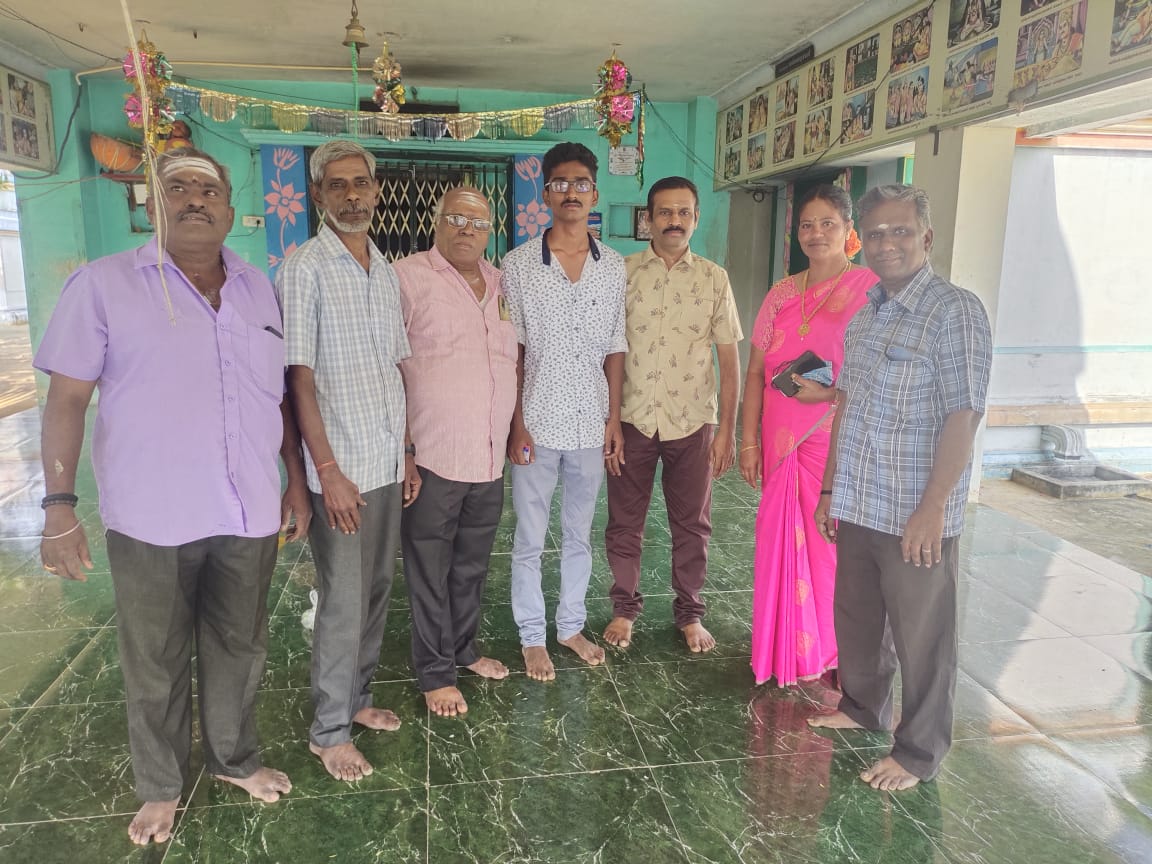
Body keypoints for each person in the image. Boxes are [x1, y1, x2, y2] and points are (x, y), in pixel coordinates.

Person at [35, 147, 311, 845]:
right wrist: (59, 506)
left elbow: (276, 398)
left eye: (208, 189)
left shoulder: (257, 288)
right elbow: (66, 399)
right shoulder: (104, 286)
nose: (194, 198)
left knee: (240, 645)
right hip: (151, 515)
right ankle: (160, 785)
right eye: (177, 186)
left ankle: (233, 759)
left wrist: (294, 480)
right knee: (154, 657)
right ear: (153, 203)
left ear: (228, 209)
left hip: (247, 507)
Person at [808, 185, 992, 792]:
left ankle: (919, 751)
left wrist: (933, 507)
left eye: (901, 231)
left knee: (922, 635)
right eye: (877, 233)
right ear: (861, 242)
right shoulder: (866, 318)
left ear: (926, 238)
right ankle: (863, 707)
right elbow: (847, 407)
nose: (887, 243)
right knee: (858, 619)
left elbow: (964, 413)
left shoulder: (954, 311)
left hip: (915, 508)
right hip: (860, 500)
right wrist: (830, 490)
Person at [277, 140, 420, 783]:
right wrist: (326, 472)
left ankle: (357, 697)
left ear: (377, 190)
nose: (352, 195)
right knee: (342, 599)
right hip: (341, 469)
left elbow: (394, 369)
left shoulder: (383, 270)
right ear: (318, 196)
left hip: (386, 459)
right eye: (337, 185)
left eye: (361, 183)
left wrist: (408, 451)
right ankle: (329, 731)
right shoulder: (304, 268)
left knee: (377, 590)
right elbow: (298, 379)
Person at [502, 141, 627, 682]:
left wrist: (613, 419)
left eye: (580, 184)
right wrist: (516, 424)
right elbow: (513, 350)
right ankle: (532, 636)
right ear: (545, 193)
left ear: (594, 193)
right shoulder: (518, 265)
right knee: (529, 538)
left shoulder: (613, 266)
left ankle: (570, 626)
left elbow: (615, 347)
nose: (570, 192)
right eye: (560, 183)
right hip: (536, 421)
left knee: (579, 534)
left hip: (590, 423)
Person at [601, 176, 743, 653]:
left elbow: (729, 360)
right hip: (632, 419)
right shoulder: (621, 273)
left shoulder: (714, 279)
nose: (674, 221)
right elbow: (606, 350)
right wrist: (608, 419)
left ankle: (690, 613)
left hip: (692, 421)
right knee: (625, 522)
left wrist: (726, 430)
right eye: (665, 212)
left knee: (693, 524)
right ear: (649, 219)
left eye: (684, 212)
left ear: (696, 219)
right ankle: (624, 609)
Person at [740, 184, 874, 686]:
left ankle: (831, 651)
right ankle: (783, 648)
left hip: (830, 438)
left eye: (828, 224)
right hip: (779, 439)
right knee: (776, 540)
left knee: (827, 544)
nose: (816, 233)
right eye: (807, 225)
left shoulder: (868, 288)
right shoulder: (780, 293)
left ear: (849, 230)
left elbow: (877, 373)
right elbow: (756, 370)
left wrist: (831, 393)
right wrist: (748, 440)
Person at [393, 187, 516, 717]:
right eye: (457, 218)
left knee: (471, 566)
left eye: (478, 222)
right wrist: (404, 450)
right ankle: (434, 672)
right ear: (436, 220)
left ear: (490, 231)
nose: (467, 229)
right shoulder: (406, 278)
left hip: (488, 456)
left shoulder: (502, 283)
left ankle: (463, 649)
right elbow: (389, 367)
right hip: (432, 455)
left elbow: (511, 362)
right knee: (429, 568)